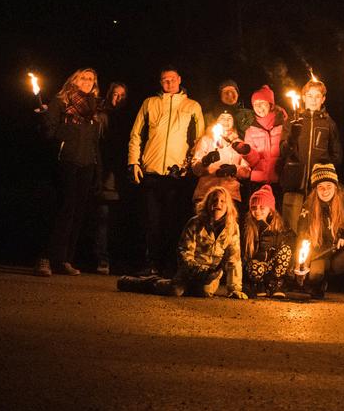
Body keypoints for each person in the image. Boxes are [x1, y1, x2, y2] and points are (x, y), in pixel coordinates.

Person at [127, 66, 205, 275]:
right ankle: (151, 263)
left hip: (176, 174)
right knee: (151, 221)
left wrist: (190, 166)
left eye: (172, 79)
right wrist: (134, 162)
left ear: (179, 79)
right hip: (151, 170)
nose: (168, 83)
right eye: (164, 80)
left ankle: (170, 265)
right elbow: (136, 134)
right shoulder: (150, 103)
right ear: (160, 82)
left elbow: (200, 140)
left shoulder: (192, 106)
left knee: (172, 221)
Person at [117, 186, 247, 299]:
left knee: (204, 292)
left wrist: (235, 289)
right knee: (175, 290)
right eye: (214, 200)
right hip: (189, 271)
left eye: (222, 201)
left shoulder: (232, 228)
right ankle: (136, 282)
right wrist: (200, 271)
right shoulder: (195, 223)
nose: (218, 204)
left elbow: (234, 259)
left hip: (210, 276)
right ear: (207, 203)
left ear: (228, 206)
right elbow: (184, 252)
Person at [37, 68, 103, 277]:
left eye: (91, 79)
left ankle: (64, 259)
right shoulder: (61, 102)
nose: (88, 81)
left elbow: (95, 143)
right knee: (63, 209)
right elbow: (49, 132)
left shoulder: (93, 108)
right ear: (74, 80)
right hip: (66, 160)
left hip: (86, 164)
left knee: (77, 212)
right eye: (84, 78)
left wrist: (97, 170)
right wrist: (55, 126)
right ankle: (45, 258)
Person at [296, 163, 344, 303]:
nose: (325, 190)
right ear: (315, 189)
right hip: (320, 255)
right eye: (320, 187)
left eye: (329, 186)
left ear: (335, 186)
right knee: (314, 276)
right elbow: (303, 236)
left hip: (341, 254)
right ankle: (317, 285)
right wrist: (302, 263)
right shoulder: (308, 205)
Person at [280, 78, 342, 232]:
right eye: (310, 96)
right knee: (291, 228)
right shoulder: (292, 121)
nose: (313, 100)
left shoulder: (328, 123)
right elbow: (283, 152)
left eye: (317, 96)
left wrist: (323, 172)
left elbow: (336, 155)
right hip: (294, 183)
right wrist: (292, 138)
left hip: (317, 186)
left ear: (323, 99)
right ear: (303, 97)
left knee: (315, 228)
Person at [92, 81, 128, 275]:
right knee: (102, 215)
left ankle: (117, 258)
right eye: (115, 94)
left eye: (122, 95)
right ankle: (101, 258)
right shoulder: (100, 114)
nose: (118, 98)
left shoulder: (127, 118)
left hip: (120, 171)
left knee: (116, 217)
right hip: (102, 167)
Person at [241, 185, 293, 298]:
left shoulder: (279, 225)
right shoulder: (247, 226)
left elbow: (291, 239)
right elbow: (243, 252)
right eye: (254, 208)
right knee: (255, 267)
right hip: (256, 265)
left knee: (286, 250)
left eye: (262, 207)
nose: (257, 211)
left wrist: (276, 241)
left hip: (272, 265)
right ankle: (258, 284)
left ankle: (275, 283)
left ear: (270, 210)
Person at [190, 111, 250, 205]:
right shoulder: (206, 140)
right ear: (216, 121)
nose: (226, 120)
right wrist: (206, 161)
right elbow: (195, 169)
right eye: (222, 117)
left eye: (229, 118)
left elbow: (246, 172)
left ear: (234, 121)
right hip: (206, 192)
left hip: (230, 194)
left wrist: (234, 169)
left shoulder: (239, 144)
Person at [241, 85, 288, 203]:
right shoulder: (250, 130)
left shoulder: (284, 127)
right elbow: (253, 161)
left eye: (262, 103)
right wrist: (246, 152)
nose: (258, 107)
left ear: (270, 105)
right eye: (255, 104)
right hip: (258, 183)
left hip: (280, 181)